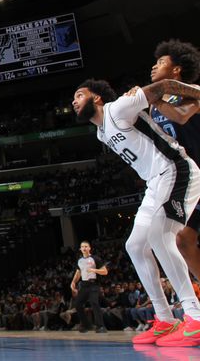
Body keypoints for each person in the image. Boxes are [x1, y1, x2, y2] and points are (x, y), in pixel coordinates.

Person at [72, 78, 200, 346]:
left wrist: (197, 92)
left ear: (96, 98)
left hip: (176, 170)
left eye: (79, 95)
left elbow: (162, 85)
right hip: (155, 183)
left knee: (160, 235)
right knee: (135, 246)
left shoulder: (118, 108)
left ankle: (195, 316)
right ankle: (165, 319)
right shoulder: (101, 132)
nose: (73, 101)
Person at [143, 40, 200, 278]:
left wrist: (152, 97)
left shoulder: (191, 91)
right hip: (187, 178)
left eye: (161, 62)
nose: (154, 67)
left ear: (176, 70)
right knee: (183, 240)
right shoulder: (155, 106)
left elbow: (181, 117)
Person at [69, 241, 108, 333]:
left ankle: (101, 326)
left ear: (89, 248)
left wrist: (94, 270)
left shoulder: (95, 258)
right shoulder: (80, 260)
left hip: (93, 284)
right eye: (82, 246)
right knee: (78, 304)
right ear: (80, 249)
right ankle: (86, 325)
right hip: (84, 285)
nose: (84, 248)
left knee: (94, 303)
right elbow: (78, 272)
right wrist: (73, 282)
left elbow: (105, 271)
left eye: (86, 246)